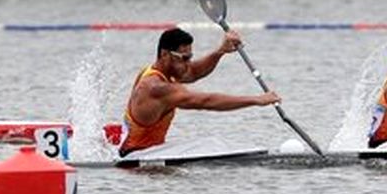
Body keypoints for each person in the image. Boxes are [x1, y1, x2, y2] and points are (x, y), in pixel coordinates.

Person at [118, 27, 280, 155]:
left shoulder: (163, 71)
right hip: (135, 159)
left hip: (148, 153)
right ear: (165, 54)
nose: (188, 64)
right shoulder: (155, 87)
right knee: (210, 143)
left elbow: (194, 72)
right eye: (185, 58)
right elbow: (205, 101)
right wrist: (256, 100)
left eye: (190, 57)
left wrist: (220, 51)